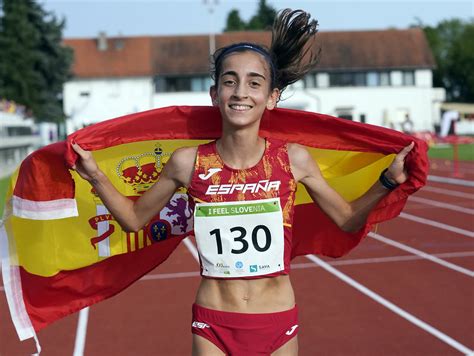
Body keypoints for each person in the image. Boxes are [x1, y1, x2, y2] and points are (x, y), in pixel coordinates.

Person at [71, 9, 414, 356]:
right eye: (230, 81)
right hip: (213, 321)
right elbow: (133, 220)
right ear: (214, 92)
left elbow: (347, 218)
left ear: (272, 97)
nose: (240, 92)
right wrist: (96, 175)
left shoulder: (292, 159)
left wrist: (387, 181)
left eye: (254, 83)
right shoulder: (187, 162)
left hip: (278, 319)